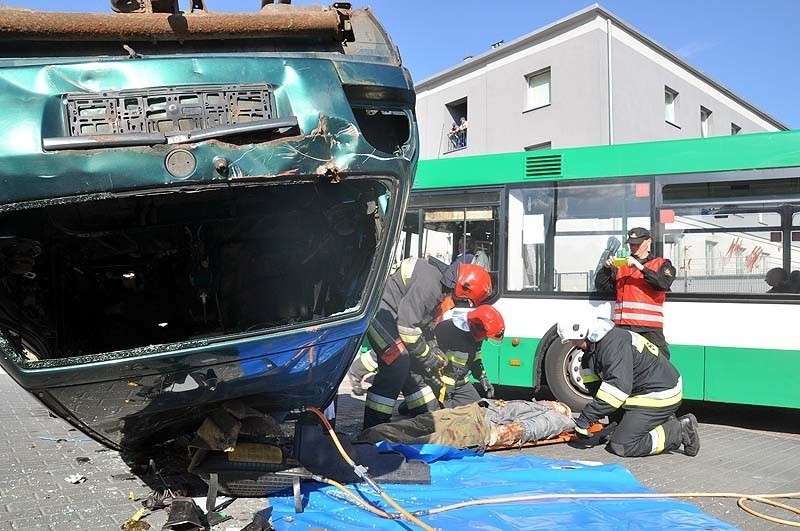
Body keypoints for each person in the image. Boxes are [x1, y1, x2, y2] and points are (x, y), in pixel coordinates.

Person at [362, 259, 492, 429]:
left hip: (395, 318)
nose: (461, 305)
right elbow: (407, 328)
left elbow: (424, 327)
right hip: (379, 312)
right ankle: (374, 427)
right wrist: (428, 356)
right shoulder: (431, 285)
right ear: (463, 288)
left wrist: (434, 350)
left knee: (414, 366)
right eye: (465, 301)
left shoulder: (441, 288)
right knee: (398, 363)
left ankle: (423, 419)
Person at [556, 316, 700, 458]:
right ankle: (659, 422)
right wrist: (598, 418)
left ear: (584, 333)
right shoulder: (593, 350)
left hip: (660, 394)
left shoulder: (613, 345)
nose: (573, 344)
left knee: (622, 445)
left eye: (574, 339)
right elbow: (597, 388)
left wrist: (587, 418)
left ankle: (678, 431)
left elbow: (617, 389)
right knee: (617, 432)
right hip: (642, 392)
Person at [358, 398, 575, 450]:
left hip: (481, 427)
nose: (553, 402)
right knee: (419, 424)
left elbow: (533, 428)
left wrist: (499, 434)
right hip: (474, 411)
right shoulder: (538, 405)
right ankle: (363, 439)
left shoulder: (559, 418)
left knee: (428, 439)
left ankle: (365, 444)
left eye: (558, 403)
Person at [595, 227, 676, 359]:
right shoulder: (621, 265)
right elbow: (601, 286)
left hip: (649, 329)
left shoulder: (661, 264)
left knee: (658, 365)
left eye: (638, 243)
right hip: (624, 327)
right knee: (623, 365)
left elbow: (663, 284)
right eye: (632, 244)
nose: (634, 247)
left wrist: (641, 267)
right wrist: (606, 269)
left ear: (648, 241)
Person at [430, 304, 504, 408]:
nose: (486, 339)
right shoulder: (446, 330)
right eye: (485, 336)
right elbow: (429, 357)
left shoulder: (477, 337)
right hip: (442, 384)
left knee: (478, 409)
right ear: (476, 329)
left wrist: (483, 379)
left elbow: (476, 359)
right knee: (446, 415)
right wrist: (435, 384)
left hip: (462, 384)